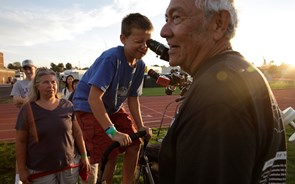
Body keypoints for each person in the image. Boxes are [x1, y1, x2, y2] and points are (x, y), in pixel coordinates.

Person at [158, 0, 287, 183]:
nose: (164, 31)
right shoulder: (240, 72)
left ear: (219, 23)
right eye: (166, 19)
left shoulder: (216, 95)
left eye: (176, 17)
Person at [73, 13, 153, 184]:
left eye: (147, 42)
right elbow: (94, 98)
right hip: (88, 107)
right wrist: (112, 132)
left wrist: (141, 126)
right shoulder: (111, 59)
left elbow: (133, 99)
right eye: (139, 42)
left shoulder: (140, 65)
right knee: (110, 153)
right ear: (123, 39)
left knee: (135, 142)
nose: (144, 47)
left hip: (111, 108)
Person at [15, 68, 90, 184]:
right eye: (46, 82)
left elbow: (77, 133)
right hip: (40, 170)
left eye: (53, 82)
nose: (51, 85)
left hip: (69, 167)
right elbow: (21, 142)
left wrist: (84, 155)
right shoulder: (27, 110)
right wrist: (21, 169)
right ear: (37, 86)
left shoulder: (67, 105)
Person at [10, 59, 37, 184]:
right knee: (22, 146)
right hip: (25, 120)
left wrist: (24, 99)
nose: (27, 71)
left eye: (29, 68)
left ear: (34, 68)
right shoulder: (18, 84)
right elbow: (15, 100)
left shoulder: (39, 82)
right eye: (25, 68)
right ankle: (18, 176)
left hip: (40, 119)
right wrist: (31, 100)